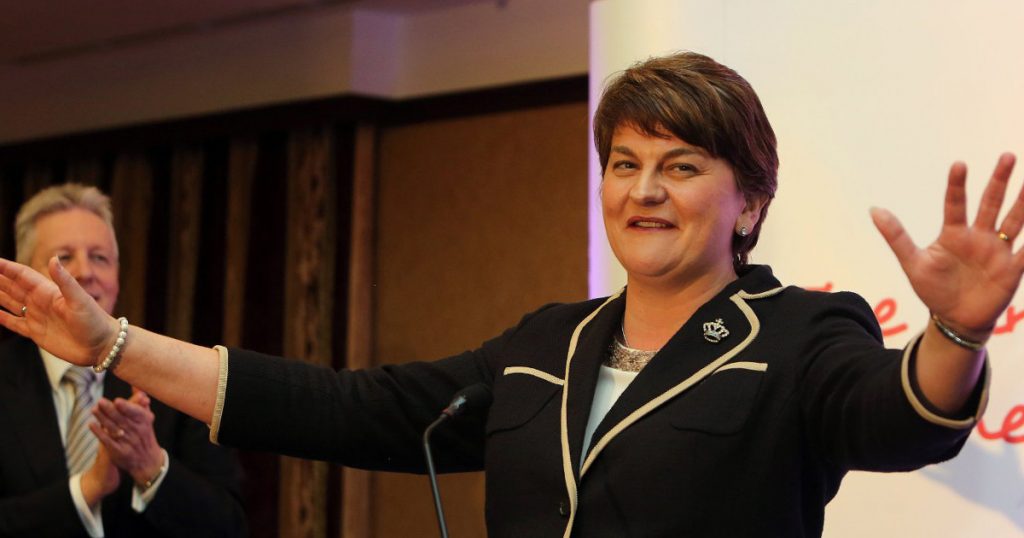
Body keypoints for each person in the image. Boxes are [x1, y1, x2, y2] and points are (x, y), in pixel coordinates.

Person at [0, 52, 1020, 536]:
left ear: (747, 202)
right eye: (622, 164)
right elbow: (344, 406)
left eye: (680, 165)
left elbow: (898, 415)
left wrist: (955, 331)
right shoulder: (544, 345)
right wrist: (114, 342)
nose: (643, 190)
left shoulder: (796, 332)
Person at [0, 184, 247, 537]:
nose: (85, 272)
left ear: (117, 275)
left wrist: (150, 465)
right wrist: (87, 488)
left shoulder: (176, 374)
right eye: (63, 259)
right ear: (26, 277)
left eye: (100, 257)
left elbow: (230, 528)